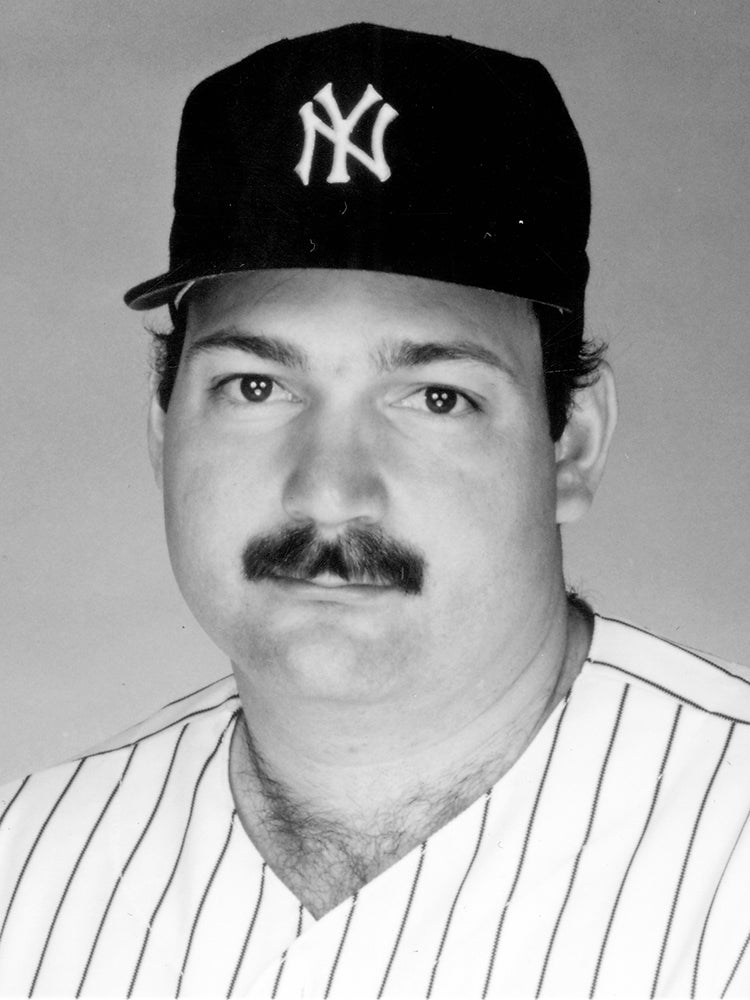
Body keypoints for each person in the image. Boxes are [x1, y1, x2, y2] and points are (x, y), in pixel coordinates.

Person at [0, 21, 748, 999]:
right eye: (257, 386)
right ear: (161, 424)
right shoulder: (24, 869)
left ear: (571, 442)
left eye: (436, 396)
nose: (330, 487)